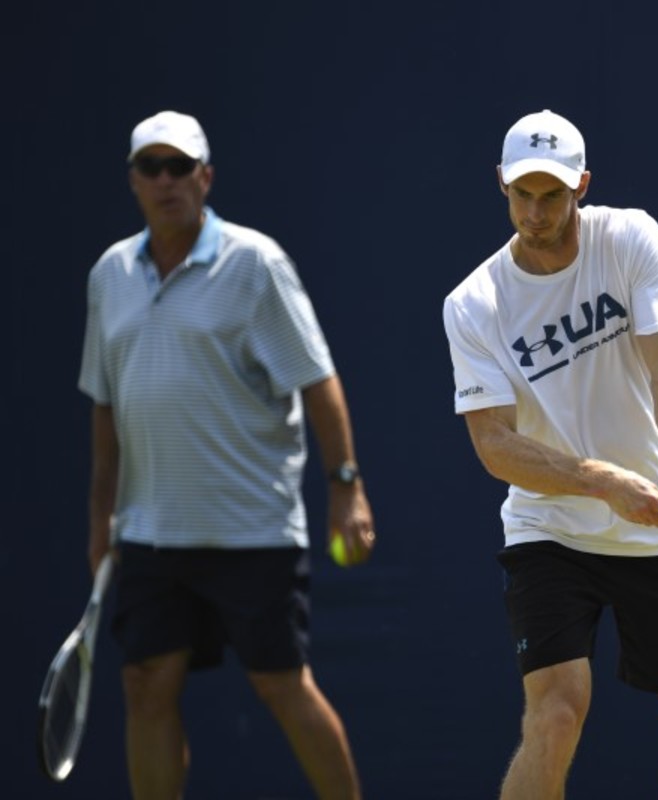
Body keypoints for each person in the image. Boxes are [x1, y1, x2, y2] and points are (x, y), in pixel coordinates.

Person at [79, 110, 377, 800]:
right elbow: (105, 404)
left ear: (205, 177)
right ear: (133, 180)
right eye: (151, 167)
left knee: (281, 683)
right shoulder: (109, 276)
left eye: (179, 167)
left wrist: (346, 486)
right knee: (145, 682)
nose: (165, 180)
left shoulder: (255, 264)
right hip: (152, 531)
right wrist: (100, 519)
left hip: (253, 529)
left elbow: (318, 380)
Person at [442, 109, 658, 798]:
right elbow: (494, 444)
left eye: (552, 195)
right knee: (555, 715)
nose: (535, 212)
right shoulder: (473, 304)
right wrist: (604, 482)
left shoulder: (629, 238)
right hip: (551, 530)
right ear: (501, 183)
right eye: (522, 194)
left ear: (582, 185)